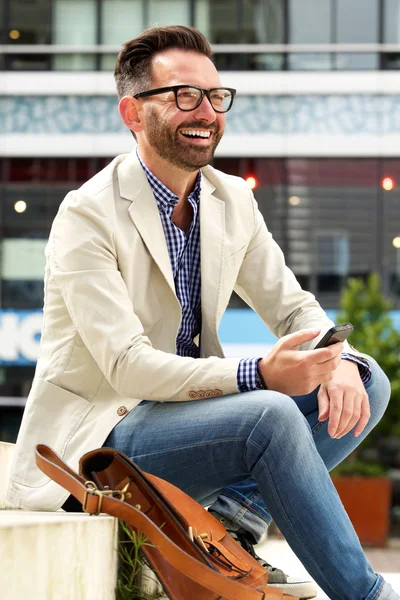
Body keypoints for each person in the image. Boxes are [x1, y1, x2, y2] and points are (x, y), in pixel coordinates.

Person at [7, 25, 398, 600]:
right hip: (103, 441)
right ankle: (365, 594)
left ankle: (234, 526)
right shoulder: (86, 214)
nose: (206, 111)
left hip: (191, 422)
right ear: (133, 114)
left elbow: (293, 306)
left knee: (367, 380)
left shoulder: (230, 197)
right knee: (269, 413)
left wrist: (332, 357)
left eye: (216, 97)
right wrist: (258, 374)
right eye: (183, 95)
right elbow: (127, 367)